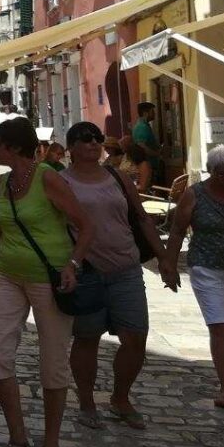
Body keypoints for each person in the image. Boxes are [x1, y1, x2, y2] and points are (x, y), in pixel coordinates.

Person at [0, 116, 94, 447]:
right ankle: (18, 439)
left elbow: (85, 225)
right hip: (6, 276)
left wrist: (73, 264)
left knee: (53, 361)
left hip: (48, 280)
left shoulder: (49, 178)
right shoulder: (1, 184)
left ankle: (52, 444)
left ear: (15, 147)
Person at [61, 122, 177, 430]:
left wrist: (164, 258)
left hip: (126, 268)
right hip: (88, 272)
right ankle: (86, 402)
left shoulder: (117, 177)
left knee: (136, 337)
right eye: (85, 139)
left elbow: (141, 217)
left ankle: (120, 398)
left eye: (97, 139)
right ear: (71, 146)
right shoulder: (60, 182)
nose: (93, 144)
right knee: (87, 339)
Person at [165, 144, 224, 408]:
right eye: (223, 174)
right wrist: (169, 264)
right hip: (207, 269)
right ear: (211, 171)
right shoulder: (195, 195)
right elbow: (178, 230)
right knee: (221, 326)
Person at [132, 102, 163, 181]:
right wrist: (157, 154)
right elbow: (142, 146)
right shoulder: (142, 127)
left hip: (150, 165)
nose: (154, 114)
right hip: (148, 166)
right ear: (145, 113)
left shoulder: (144, 125)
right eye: (152, 111)